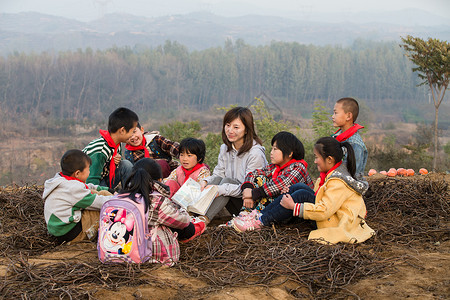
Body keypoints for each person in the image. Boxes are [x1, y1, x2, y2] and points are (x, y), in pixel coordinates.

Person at [233, 137, 375, 244]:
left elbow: (325, 210)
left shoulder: (337, 182)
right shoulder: (328, 175)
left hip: (335, 221)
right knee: (298, 188)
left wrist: (294, 207)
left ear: (330, 160)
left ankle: (261, 221)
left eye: (317, 157)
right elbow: (316, 196)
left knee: (301, 194)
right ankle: (257, 216)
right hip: (331, 215)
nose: (314, 161)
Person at [118, 158, 206, 265]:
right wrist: (181, 209)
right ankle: (198, 226)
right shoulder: (156, 201)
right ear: (160, 180)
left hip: (120, 248)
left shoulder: (120, 197)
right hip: (150, 254)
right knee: (187, 226)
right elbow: (183, 221)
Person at [201, 107, 268, 224]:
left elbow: (251, 188)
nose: (230, 130)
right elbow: (218, 174)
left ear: (247, 130)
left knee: (226, 182)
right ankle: (196, 213)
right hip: (233, 198)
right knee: (218, 180)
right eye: (227, 125)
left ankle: (203, 219)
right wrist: (206, 182)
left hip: (251, 204)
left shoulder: (255, 153)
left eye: (236, 127)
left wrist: (220, 189)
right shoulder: (225, 148)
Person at [43, 149, 114, 244]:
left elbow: (88, 187)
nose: (89, 172)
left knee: (99, 193)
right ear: (77, 173)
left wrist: (107, 190)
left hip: (60, 231)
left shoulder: (61, 180)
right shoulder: (73, 189)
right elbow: (100, 203)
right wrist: (120, 199)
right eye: (88, 169)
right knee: (105, 209)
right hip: (72, 235)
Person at [239, 131, 314, 213]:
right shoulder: (274, 167)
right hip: (277, 207)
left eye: (275, 149)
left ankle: (256, 217)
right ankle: (245, 214)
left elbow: (280, 184)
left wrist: (253, 194)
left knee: (271, 192)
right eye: (272, 149)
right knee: (260, 178)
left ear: (289, 153)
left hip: (293, 211)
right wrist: (247, 188)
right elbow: (253, 174)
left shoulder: (299, 167)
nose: (271, 153)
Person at [83, 107, 138, 190]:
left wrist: (117, 162)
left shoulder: (116, 144)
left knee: (126, 165)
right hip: (87, 184)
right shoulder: (100, 151)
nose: (133, 135)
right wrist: (107, 193)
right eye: (132, 131)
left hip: (104, 179)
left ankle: (129, 194)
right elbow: (91, 182)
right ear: (122, 130)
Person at [331, 97, 368, 179]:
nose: (332, 116)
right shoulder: (337, 137)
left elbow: (352, 174)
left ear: (348, 116)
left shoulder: (355, 144)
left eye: (335, 113)